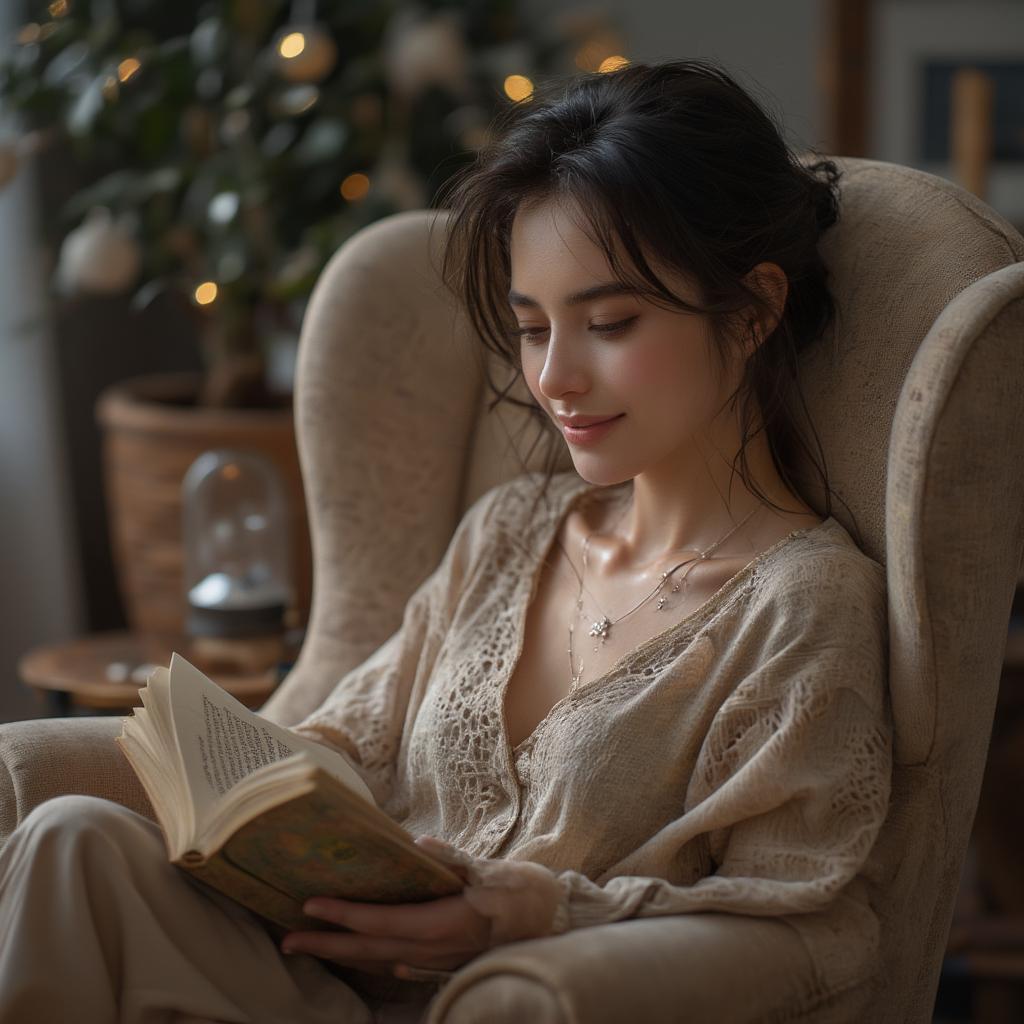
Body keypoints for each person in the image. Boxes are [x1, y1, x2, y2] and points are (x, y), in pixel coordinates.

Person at [0, 57, 893, 1023]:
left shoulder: (802, 604)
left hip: (513, 1003)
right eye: (532, 328)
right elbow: (350, 739)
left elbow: (797, 913)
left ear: (754, 308)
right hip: (305, 978)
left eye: (609, 322)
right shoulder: (509, 532)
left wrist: (536, 914)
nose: (555, 378)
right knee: (73, 836)